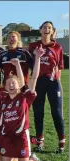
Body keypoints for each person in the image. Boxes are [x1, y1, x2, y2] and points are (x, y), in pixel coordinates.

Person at [0, 46, 44, 161]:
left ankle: (32, 158)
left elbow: (34, 77)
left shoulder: (25, 97)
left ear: (19, 85)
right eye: (8, 84)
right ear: (5, 87)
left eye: (13, 83)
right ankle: (16, 155)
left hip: (21, 136)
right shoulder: (3, 98)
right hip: (7, 136)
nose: (11, 85)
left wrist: (38, 58)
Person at [29, 21, 66, 153]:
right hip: (37, 83)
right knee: (38, 113)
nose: (46, 29)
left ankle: (61, 143)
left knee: (56, 113)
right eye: (44, 27)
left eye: (49, 28)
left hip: (53, 83)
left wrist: (58, 84)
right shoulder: (33, 46)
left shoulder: (57, 47)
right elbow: (28, 64)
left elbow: (60, 68)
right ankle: (40, 141)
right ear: (40, 30)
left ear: (52, 31)